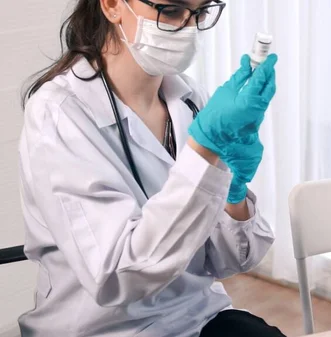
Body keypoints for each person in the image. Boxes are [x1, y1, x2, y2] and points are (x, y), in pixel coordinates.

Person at [17, 0, 285, 336]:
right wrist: (203, 151)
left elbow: (229, 261)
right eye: (171, 10)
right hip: (105, 328)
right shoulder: (59, 113)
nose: (188, 29)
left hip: (196, 315)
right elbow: (117, 278)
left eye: (200, 13)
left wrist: (234, 195)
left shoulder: (188, 97)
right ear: (113, 5)